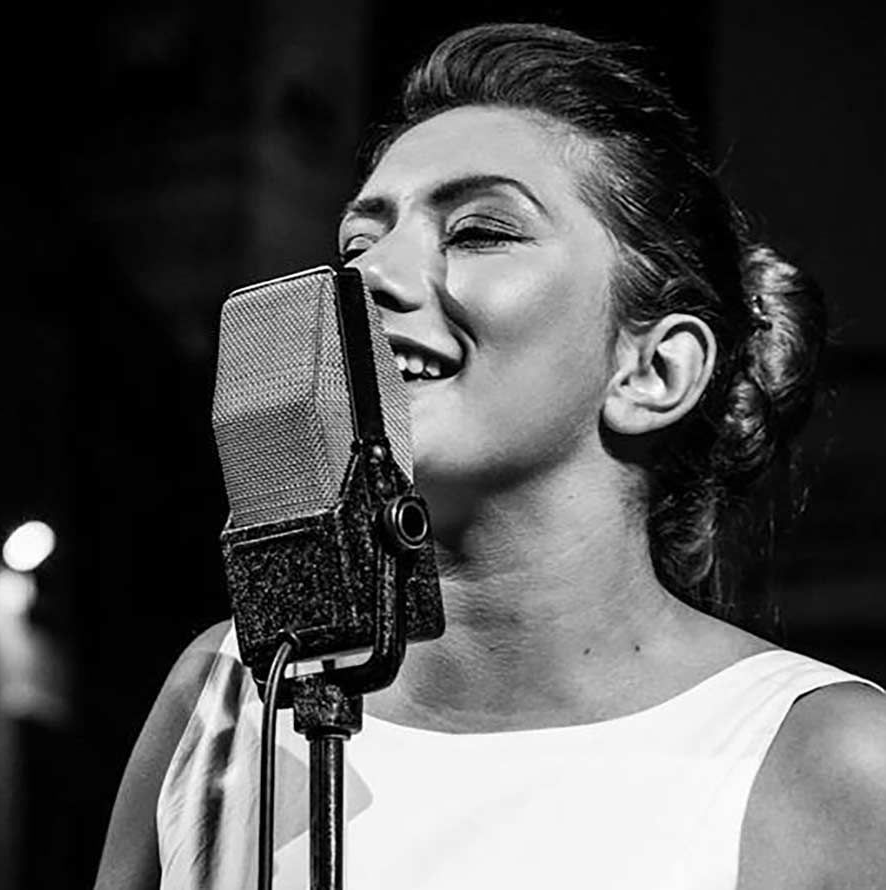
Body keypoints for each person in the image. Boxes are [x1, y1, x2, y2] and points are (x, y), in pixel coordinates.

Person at [94, 22, 886, 890]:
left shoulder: (832, 762)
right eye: (357, 244)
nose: (369, 277)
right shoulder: (222, 699)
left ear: (653, 371)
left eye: (478, 232)